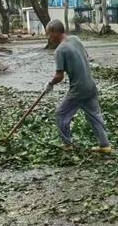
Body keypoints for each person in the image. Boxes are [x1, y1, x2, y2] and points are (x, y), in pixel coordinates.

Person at [45, 19, 112, 154]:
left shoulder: (60, 50)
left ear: (54, 32)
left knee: (60, 114)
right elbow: (86, 56)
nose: (48, 37)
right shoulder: (75, 39)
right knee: (94, 115)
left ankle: (67, 145)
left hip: (78, 89)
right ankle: (105, 145)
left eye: (49, 34)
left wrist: (50, 84)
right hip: (90, 85)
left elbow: (60, 76)